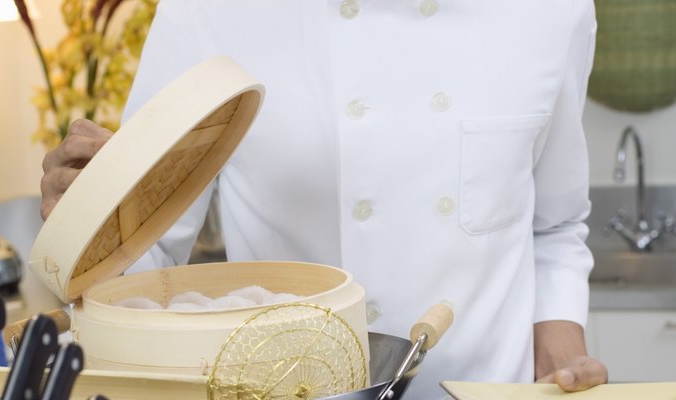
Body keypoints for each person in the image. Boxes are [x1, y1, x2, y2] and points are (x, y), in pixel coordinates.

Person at [40, 1, 608, 398]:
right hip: (286, 388)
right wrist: (89, 219)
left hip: (487, 388)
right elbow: (149, 254)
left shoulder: (553, 10)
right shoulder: (208, 10)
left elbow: (556, 224)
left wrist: (559, 348)